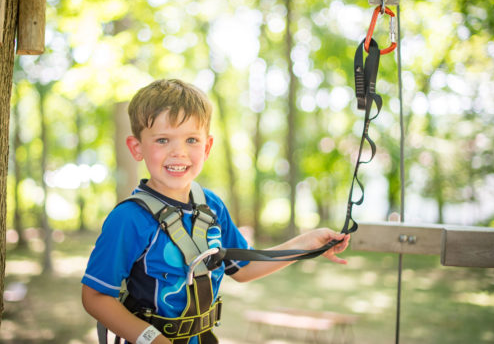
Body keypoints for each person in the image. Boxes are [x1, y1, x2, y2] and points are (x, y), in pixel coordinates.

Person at [81, 79, 350, 344]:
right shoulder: (129, 219)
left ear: (207, 147)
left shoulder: (211, 206)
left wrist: (306, 244)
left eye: (191, 140)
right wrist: (153, 340)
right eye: (163, 140)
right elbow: (95, 297)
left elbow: (243, 268)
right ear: (136, 147)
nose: (179, 152)